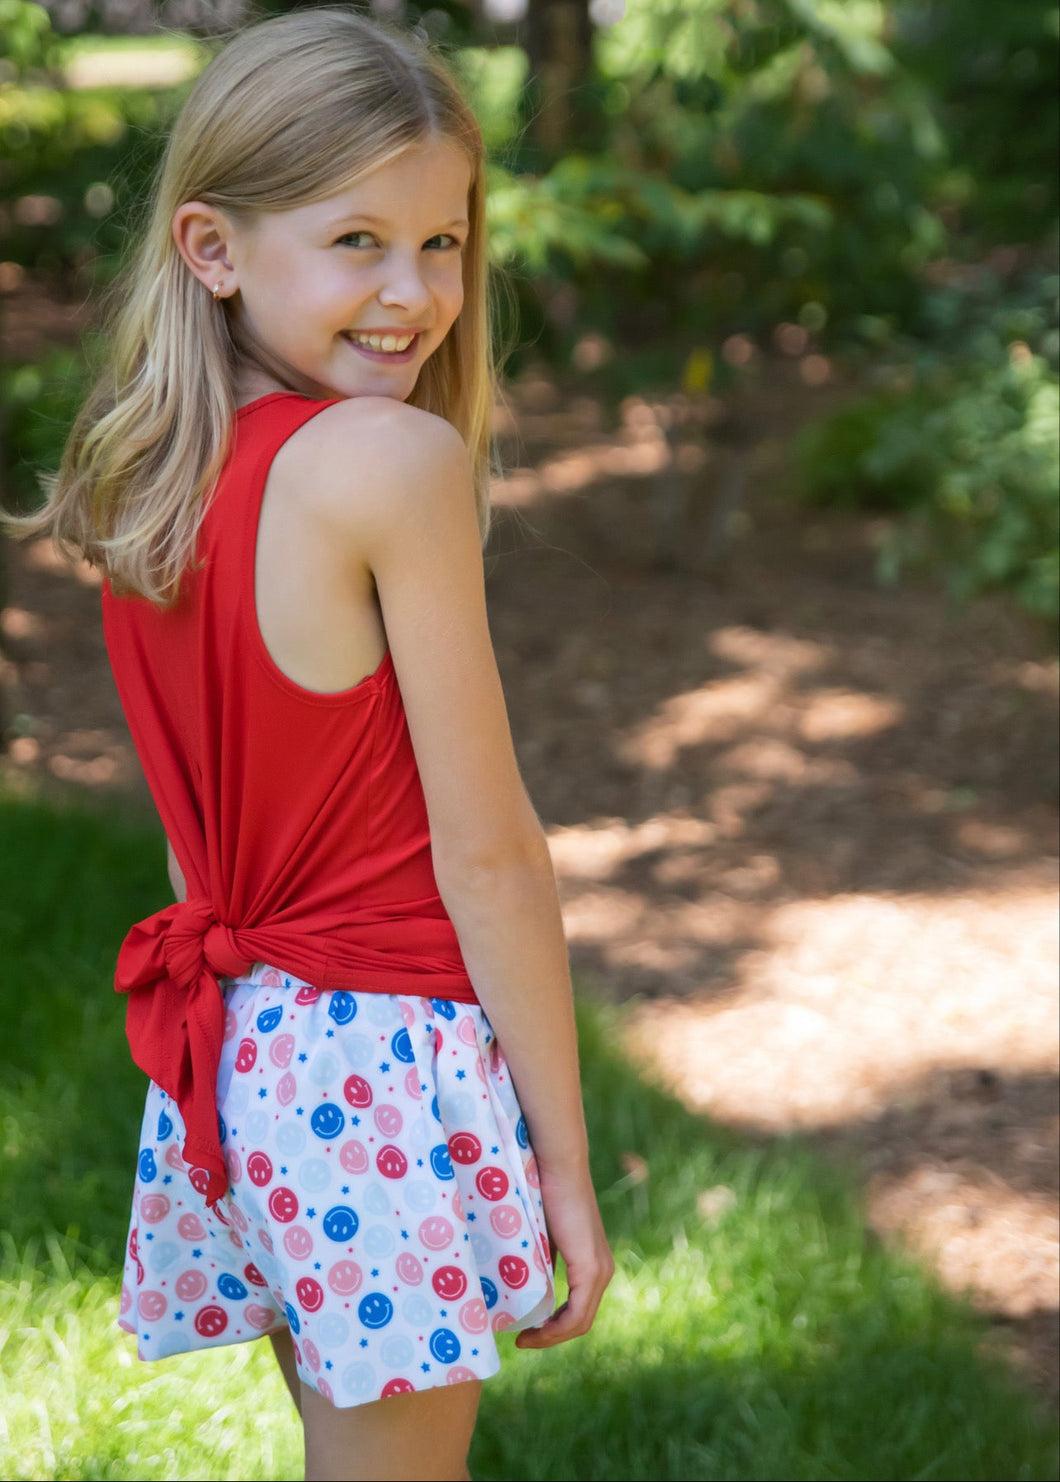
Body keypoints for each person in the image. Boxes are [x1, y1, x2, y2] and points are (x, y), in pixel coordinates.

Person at [6, 9, 613, 1479]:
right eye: (358, 242)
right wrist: (570, 1166)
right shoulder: (391, 463)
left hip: (254, 1051)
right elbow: (487, 849)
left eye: (446, 242)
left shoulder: (167, 473)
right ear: (213, 248)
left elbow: (197, 825)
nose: (416, 293)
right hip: (380, 1059)